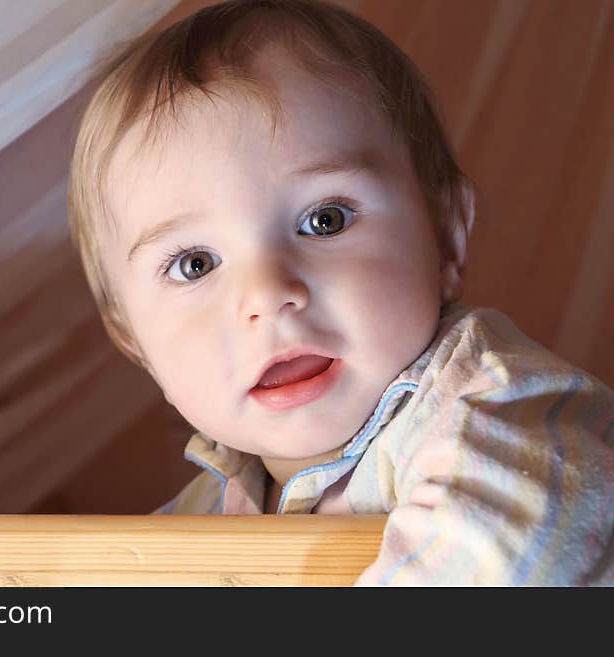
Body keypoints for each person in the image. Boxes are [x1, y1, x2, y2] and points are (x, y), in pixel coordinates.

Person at [66, 0, 614, 584]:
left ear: (445, 237)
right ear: (135, 340)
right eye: (195, 264)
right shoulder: (196, 521)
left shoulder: (493, 410)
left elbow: (503, 562)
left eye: (324, 220)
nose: (269, 295)